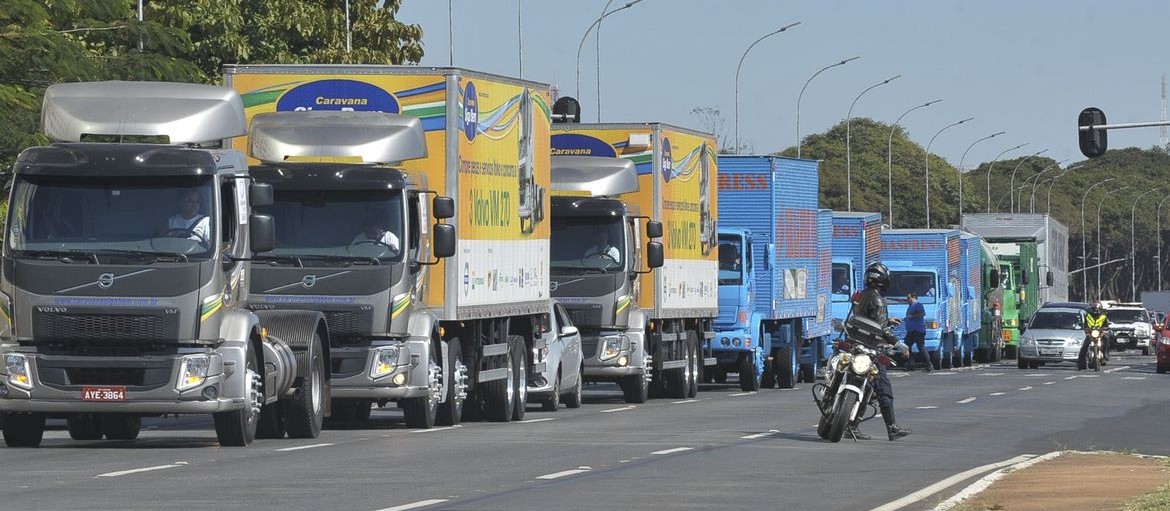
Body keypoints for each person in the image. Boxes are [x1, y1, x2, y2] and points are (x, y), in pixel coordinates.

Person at [848, 262, 912, 441]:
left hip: (855, 344)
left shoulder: (860, 295)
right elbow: (882, 329)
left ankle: (851, 424)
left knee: (864, 386)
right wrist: (900, 344)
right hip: (872, 349)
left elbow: (862, 318)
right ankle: (892, 428)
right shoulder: (878, 299)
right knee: (883, 389)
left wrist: (887, 321)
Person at [903, 292, 931, 372]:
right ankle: (911, 364)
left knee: (921, 348)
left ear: (913, 297)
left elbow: (922, 313)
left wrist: (912, 316)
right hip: (911, 331)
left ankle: (928, 365)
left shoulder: (917, 305)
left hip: (918, 331)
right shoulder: (910, 306)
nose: (907, 299)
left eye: (908, 298)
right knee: (906, 347)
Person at [1079, 301, 1110, 370]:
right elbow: (1085, 324)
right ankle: (1081, 363)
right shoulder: (1087, 315)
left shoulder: (1103, 316)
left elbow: (1106, 325)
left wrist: (1105, 329)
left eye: (1097, 309)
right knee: (1084, 346)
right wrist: (1086, 329)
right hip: (1090, 333)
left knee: (1106, 339)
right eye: (1094, 309)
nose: (1096, 311)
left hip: (1100, 333)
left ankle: (1105, 355)